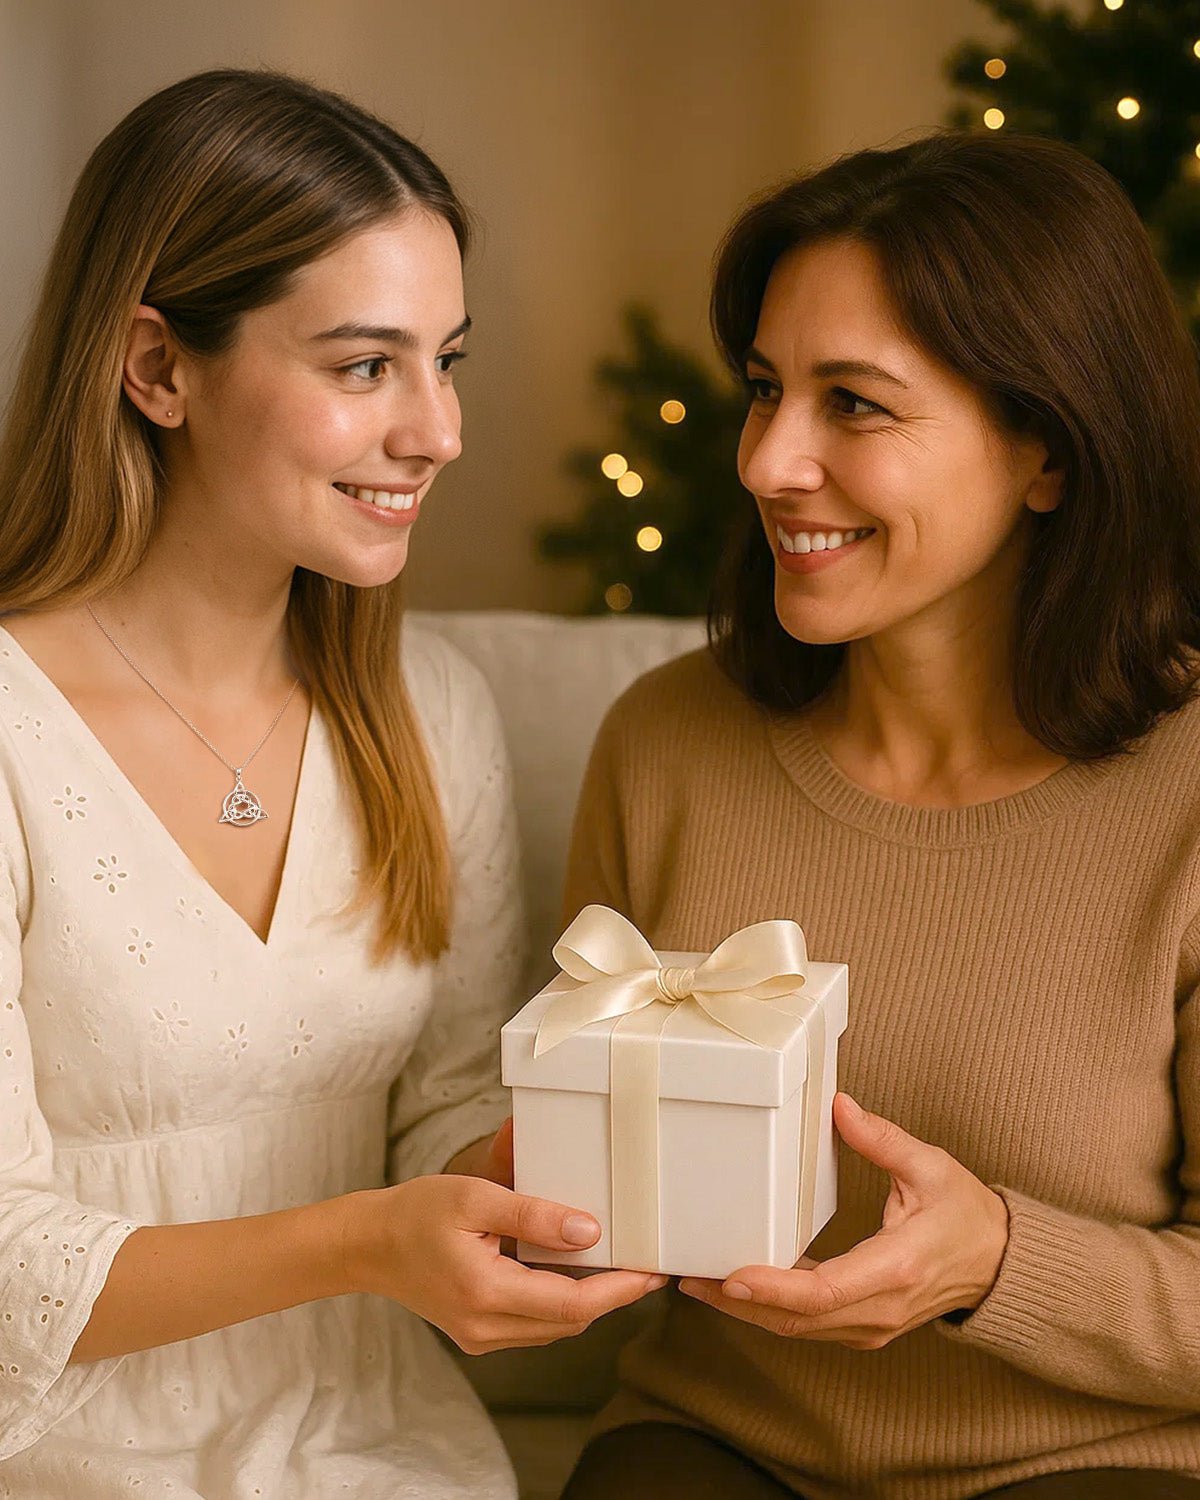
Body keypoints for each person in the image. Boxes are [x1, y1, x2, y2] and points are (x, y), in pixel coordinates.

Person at [0, 68, 664, 1499]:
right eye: (365, 367)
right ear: (157, 367)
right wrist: (370, 1242)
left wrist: (603, 1135)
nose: (440, 432)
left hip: (377, 1447)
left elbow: (431, 1121)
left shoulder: (429, 716)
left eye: (448, 360)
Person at [560, 132, 1200, 1499]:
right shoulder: (666, 744)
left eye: (854, 403)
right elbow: (572, 1156)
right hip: (716, 1442)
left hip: (1094, 1462)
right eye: (765, 390)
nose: (769, 462)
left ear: (1047, 449)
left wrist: (1000, 1263)